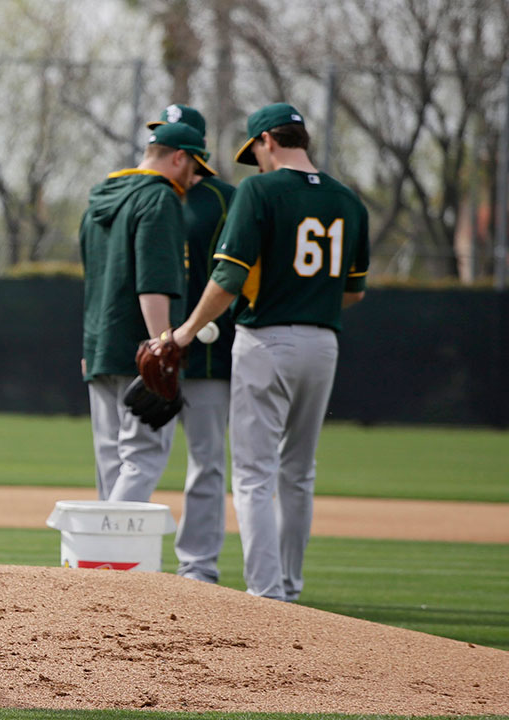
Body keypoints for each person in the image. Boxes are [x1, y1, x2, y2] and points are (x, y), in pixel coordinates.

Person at [167, 103, 369, 601]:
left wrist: (185, 331)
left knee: (255, 475)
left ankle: (266, 594)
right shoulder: (348, 201)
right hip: (324, 343)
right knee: (298, 472)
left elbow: (228, 278)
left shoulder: (259, 189)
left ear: (267, 142)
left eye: (254, 151)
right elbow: (354, 291)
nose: (255, 162)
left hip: (267, 341)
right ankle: (291, 590)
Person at [79, 122, 216, 503]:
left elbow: (92, 280)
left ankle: (98, 562)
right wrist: (162, 346)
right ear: (178, 158)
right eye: (195, 167)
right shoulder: (160, 198)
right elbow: (152, 284)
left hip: (100, 346)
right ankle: (109, 552)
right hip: (140, 349)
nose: (194, 179)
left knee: (110, 457)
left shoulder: (99, 198)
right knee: (142, 456)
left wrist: (89, 347)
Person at [147, 105, 237, 584]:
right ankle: (122, 560)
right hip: (150, 351)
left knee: (206, 460)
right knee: (134, 456)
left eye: (169, 138)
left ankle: (198, 567)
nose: (160, 144)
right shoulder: (142, 192)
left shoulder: (225, 198)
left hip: (206, 353)